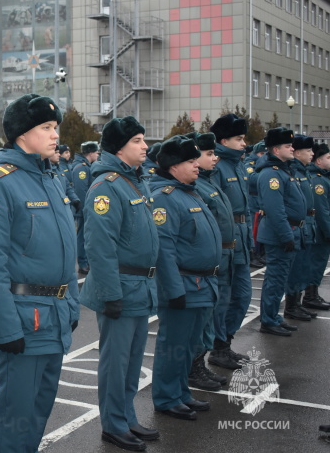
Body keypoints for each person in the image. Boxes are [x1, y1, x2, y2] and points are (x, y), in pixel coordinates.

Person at [0, 94, 79, 453]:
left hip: (55, 315)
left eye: (55, 127)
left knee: (40, 409)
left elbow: (68, 252)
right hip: (25, 318)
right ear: (21, 134)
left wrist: (73, 304)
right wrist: (3, 328)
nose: (55, 135)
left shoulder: (50, 178)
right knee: (17, 414)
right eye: (46, 128)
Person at [80, 116, 160, 452]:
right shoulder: (107, 186)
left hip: (139, 286)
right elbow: (99, 246)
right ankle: (113, 424)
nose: (145, 146)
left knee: (132, 361)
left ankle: (126, 415)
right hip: (121, 288)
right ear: (119, 147)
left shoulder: (135, 181)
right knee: (115, 362)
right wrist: (111, 294)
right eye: (138, 141)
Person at [150, 135, 220, 421]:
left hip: (202, 284)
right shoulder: (164, 197)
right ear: (173, 166)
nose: (197, 166)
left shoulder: (189, 192)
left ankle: (180, 392)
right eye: (190, 162)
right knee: (174, 345)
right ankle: (167, 397)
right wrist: (173, 289)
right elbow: (164, 249)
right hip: (184, 285)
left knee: (189, 345)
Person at [186, 132, 234, 390]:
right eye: (208, 154)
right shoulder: (195, 186)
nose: (214, 158)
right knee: (202, 320)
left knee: (211, 316)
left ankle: (201, 364)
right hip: (200, 267)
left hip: (217, 260)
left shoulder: (209, 182)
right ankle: (194, 368)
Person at [207, 114, 252, 368]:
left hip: (242, 238)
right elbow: (217, 208)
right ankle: (218, 347)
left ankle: (226, 341)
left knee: (243, 296)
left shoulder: (238, 164)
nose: (244, 143)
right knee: (223, 298)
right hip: (227, 239)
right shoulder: (218, 165)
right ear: (223, 140)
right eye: (239, 138)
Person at [256, 127, 306, 336]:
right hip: (280, 235)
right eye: (288, 146)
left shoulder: (285, 170)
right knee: (275, 280)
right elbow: (275, 210)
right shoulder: (271, 175)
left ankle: (274, 316)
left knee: (280, 279)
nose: (292, 148)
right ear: (276, 149)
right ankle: (268, 320)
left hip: (290, 230)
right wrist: (287, 236)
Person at [283, 135, 318, 322]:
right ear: (297, 153)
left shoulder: (304, 172)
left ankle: (297, 303)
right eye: (308, 151)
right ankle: (291, 306)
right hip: (296, 226)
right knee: (295, 269)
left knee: (303, 266)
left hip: (307, 225)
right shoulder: (293, 173)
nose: (312, 154)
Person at [305, 142, 330, 311]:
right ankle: (310, 295)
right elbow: (322, 211)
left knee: (319, 263)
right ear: (318, 161)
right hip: (320, 231)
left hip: (322, 230)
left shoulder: (324, 177)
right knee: (316, 263)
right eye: (328, 157)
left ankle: (313, 294)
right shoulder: (318, 181)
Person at [71, 141, 100, 275]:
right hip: (83, 208)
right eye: (96, 152)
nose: (98, 155)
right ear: (90, 153)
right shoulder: (82, 168)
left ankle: (85, 261)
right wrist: (85, 209)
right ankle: (82, 263)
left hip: (85, 207)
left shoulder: (86, 166)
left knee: (85, 235)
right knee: (82, 235)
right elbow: (81, 191)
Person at [247, 141, 268, 268]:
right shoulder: (250, 164)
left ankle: (259, 253)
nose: (263, 156)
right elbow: (252, 179)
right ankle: (253, 254)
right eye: (261, 153)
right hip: (253, 201)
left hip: (260, 201)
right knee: (253, 230)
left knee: (259, 229)